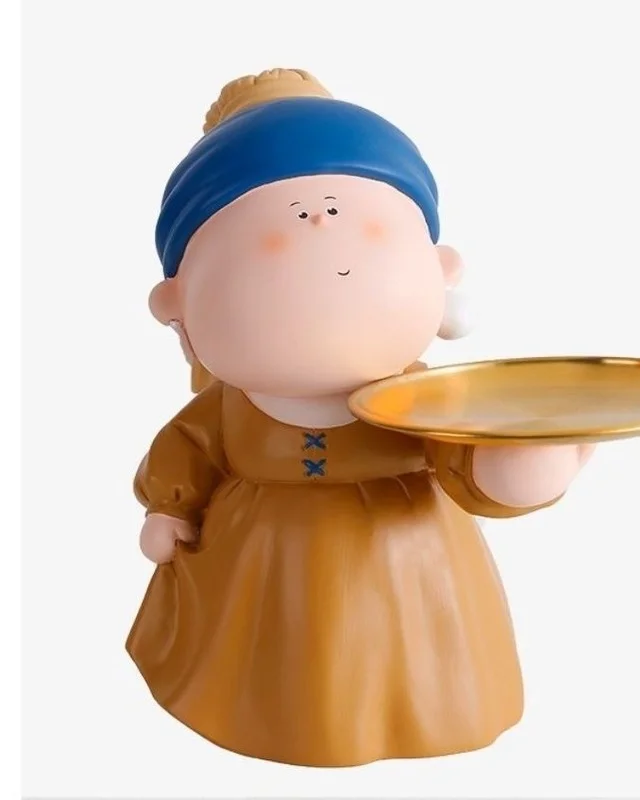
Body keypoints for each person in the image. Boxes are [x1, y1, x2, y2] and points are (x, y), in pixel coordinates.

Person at [127, 68, 595, 767]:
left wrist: (518, 462)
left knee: (406, 672)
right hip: (257, 578)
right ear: (178, 303)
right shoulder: (225, 409)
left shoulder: (428, 400)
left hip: (411, 574)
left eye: (353, 215)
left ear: (441, 272)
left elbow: (464, 460)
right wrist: (169, 506)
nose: (322, 224)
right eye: (288, 219)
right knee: (267, 677)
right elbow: (187, 450)